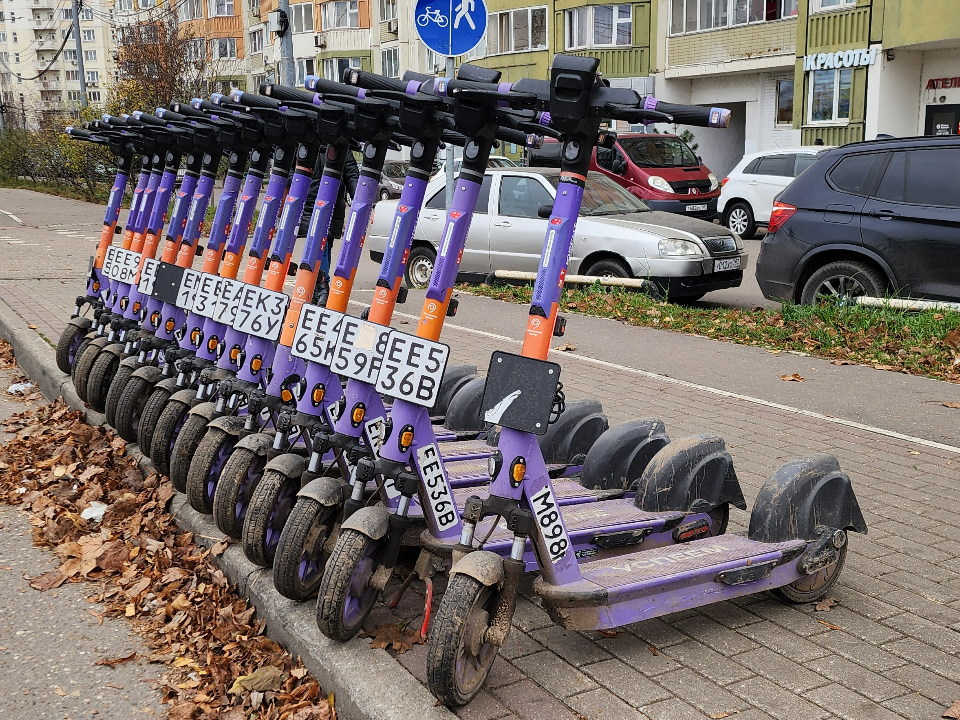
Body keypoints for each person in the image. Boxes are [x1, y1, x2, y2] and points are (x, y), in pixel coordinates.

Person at [297, 144, 360, 306]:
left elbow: (352, 175)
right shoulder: (341, 146)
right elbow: (352, 175)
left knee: (322, 247)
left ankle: (319, 288)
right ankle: (321, 288)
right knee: (322, 247)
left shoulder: (310, 144)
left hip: (317, 205)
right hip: (323, 205)